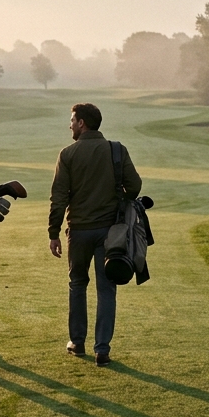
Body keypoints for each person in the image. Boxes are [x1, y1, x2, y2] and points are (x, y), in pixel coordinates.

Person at [48, 102, 141, 367]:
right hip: (111, 232)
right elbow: (134, 186)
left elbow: (58, 198)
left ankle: (77, 343)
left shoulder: (67, 154)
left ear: (82, 123)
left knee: (77, 284)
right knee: (106, 289)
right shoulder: (116, 150)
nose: (70, 125)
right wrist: (117, 198)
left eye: (72, 120)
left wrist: (54, 232)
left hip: (78, 231)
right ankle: (102, 349)